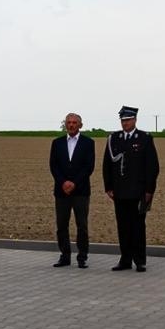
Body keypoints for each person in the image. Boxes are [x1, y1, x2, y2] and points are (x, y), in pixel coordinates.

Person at [104, 106, 158, 272]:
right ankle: (125, 259)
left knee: (138, 227)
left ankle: (140, 260)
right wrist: (109, 187)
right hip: (119, 192)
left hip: (138, 191)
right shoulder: (114, 138)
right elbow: (107, 165)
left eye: (128, 120)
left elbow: (152, 167)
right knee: (123, 226)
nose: (125, 123)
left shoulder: (144, 138)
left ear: (134, 120)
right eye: (123, 120)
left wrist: (149, 190)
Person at [49, 112, 94, 268]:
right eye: (68, 122)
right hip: (61, 192)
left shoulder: (88, 143)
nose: (71, 125)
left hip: (80, 191)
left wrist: (74, 183)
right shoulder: (57, 143)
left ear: (80, 125)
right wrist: (63, 183)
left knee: (82, 225)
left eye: (75, 122)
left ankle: (82, 257)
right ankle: (65, 255)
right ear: (65, 125)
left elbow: (89, 167)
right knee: (62, 225)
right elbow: (53, 166)